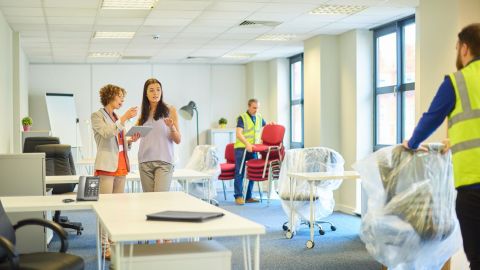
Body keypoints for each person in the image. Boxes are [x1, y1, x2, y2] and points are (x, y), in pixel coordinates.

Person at [403, 23, 480, 270]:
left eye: (457, 48)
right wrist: (453, 140)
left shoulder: (458, 81)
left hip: (474, 185)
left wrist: (412, 143)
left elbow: (431, 118)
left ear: (465, 49)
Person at [91, 84, 139, 259]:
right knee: (105, 209)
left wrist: (130, 140)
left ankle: (113, 243)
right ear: (110, 96)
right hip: (106, 166)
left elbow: (119, 142)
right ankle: (104, 247)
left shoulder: (116, 116)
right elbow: (106, 134)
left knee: (117, 209)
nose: (122, 100)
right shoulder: (97, 115)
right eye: (120, 97)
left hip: (121, 165)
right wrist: (124, 119)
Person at [137, 78, 181, 192]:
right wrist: (131, 139)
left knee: (160, 199)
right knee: (149, 201)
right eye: (151, 90)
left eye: (158, 90)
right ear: (146, 94)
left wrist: (171, 127)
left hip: (164, 162)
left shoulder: (170, 110)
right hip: (144, 162)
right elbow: (134, 135)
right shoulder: (143, 113)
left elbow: (178, 140)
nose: (155, 93)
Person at [233, 98, 270, 205]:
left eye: (257, 108)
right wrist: (247, 144)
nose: (256, 110)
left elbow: (265, 126)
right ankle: (239, 196)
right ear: (249, 106)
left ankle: (248, 196)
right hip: (241, 148)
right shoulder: (242, 118)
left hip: (253, 149)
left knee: (253, 172)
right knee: (240, 172)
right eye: (254, 108)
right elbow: (238, 134)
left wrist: (271, 124)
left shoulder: (259, 117)